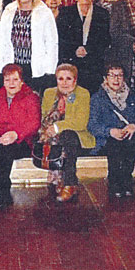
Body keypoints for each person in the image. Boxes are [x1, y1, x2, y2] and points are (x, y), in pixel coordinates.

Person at [0, 64, 41, 209]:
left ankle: (2, 193)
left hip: (22, 140)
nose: (11, 83)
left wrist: (16, 134)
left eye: (15, 80)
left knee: (5, 151)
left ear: (22, 81)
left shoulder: (30, 97)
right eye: (7, 80)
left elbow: (34, 123)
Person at [88, 62, 135, 198]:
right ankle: (114, 182)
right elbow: (92, 125)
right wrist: (110, 131)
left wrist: (134, 126)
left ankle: (126, 180)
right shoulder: (97, 99)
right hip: (107, 138)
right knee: (115, 146)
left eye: (120, 76)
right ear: (105, 78)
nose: (116, 79)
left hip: (129, 137)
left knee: (131, 143)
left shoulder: (133, 97)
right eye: (112, 76)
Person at [39, 64, 94, 203]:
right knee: (60, 137)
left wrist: (57, 127)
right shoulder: (49, 93)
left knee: (67, 135)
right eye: (60, 79)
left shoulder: (83, 94)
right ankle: (59, 179)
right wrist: (48, 129)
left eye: (68, 79)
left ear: (75, 80)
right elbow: (43, 116)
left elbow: (81, 123)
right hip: (50, 135)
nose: (64, 83)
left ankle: (70, 183)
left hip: (76, 136)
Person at [0, 0, 58, 95]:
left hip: (34, 64)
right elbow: (1, 38)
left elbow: (51, 41)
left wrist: (50, 67)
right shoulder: (9, 10)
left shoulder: (43, 12)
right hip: (13, 61)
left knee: (31, 98)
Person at [57, 0, 110, 93]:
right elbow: (61, 38)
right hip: (71, 62)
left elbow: (105, 40)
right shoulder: (66, 13)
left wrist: (89, 49)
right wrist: (75, 50)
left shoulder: (102, 14)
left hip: (93, 64)